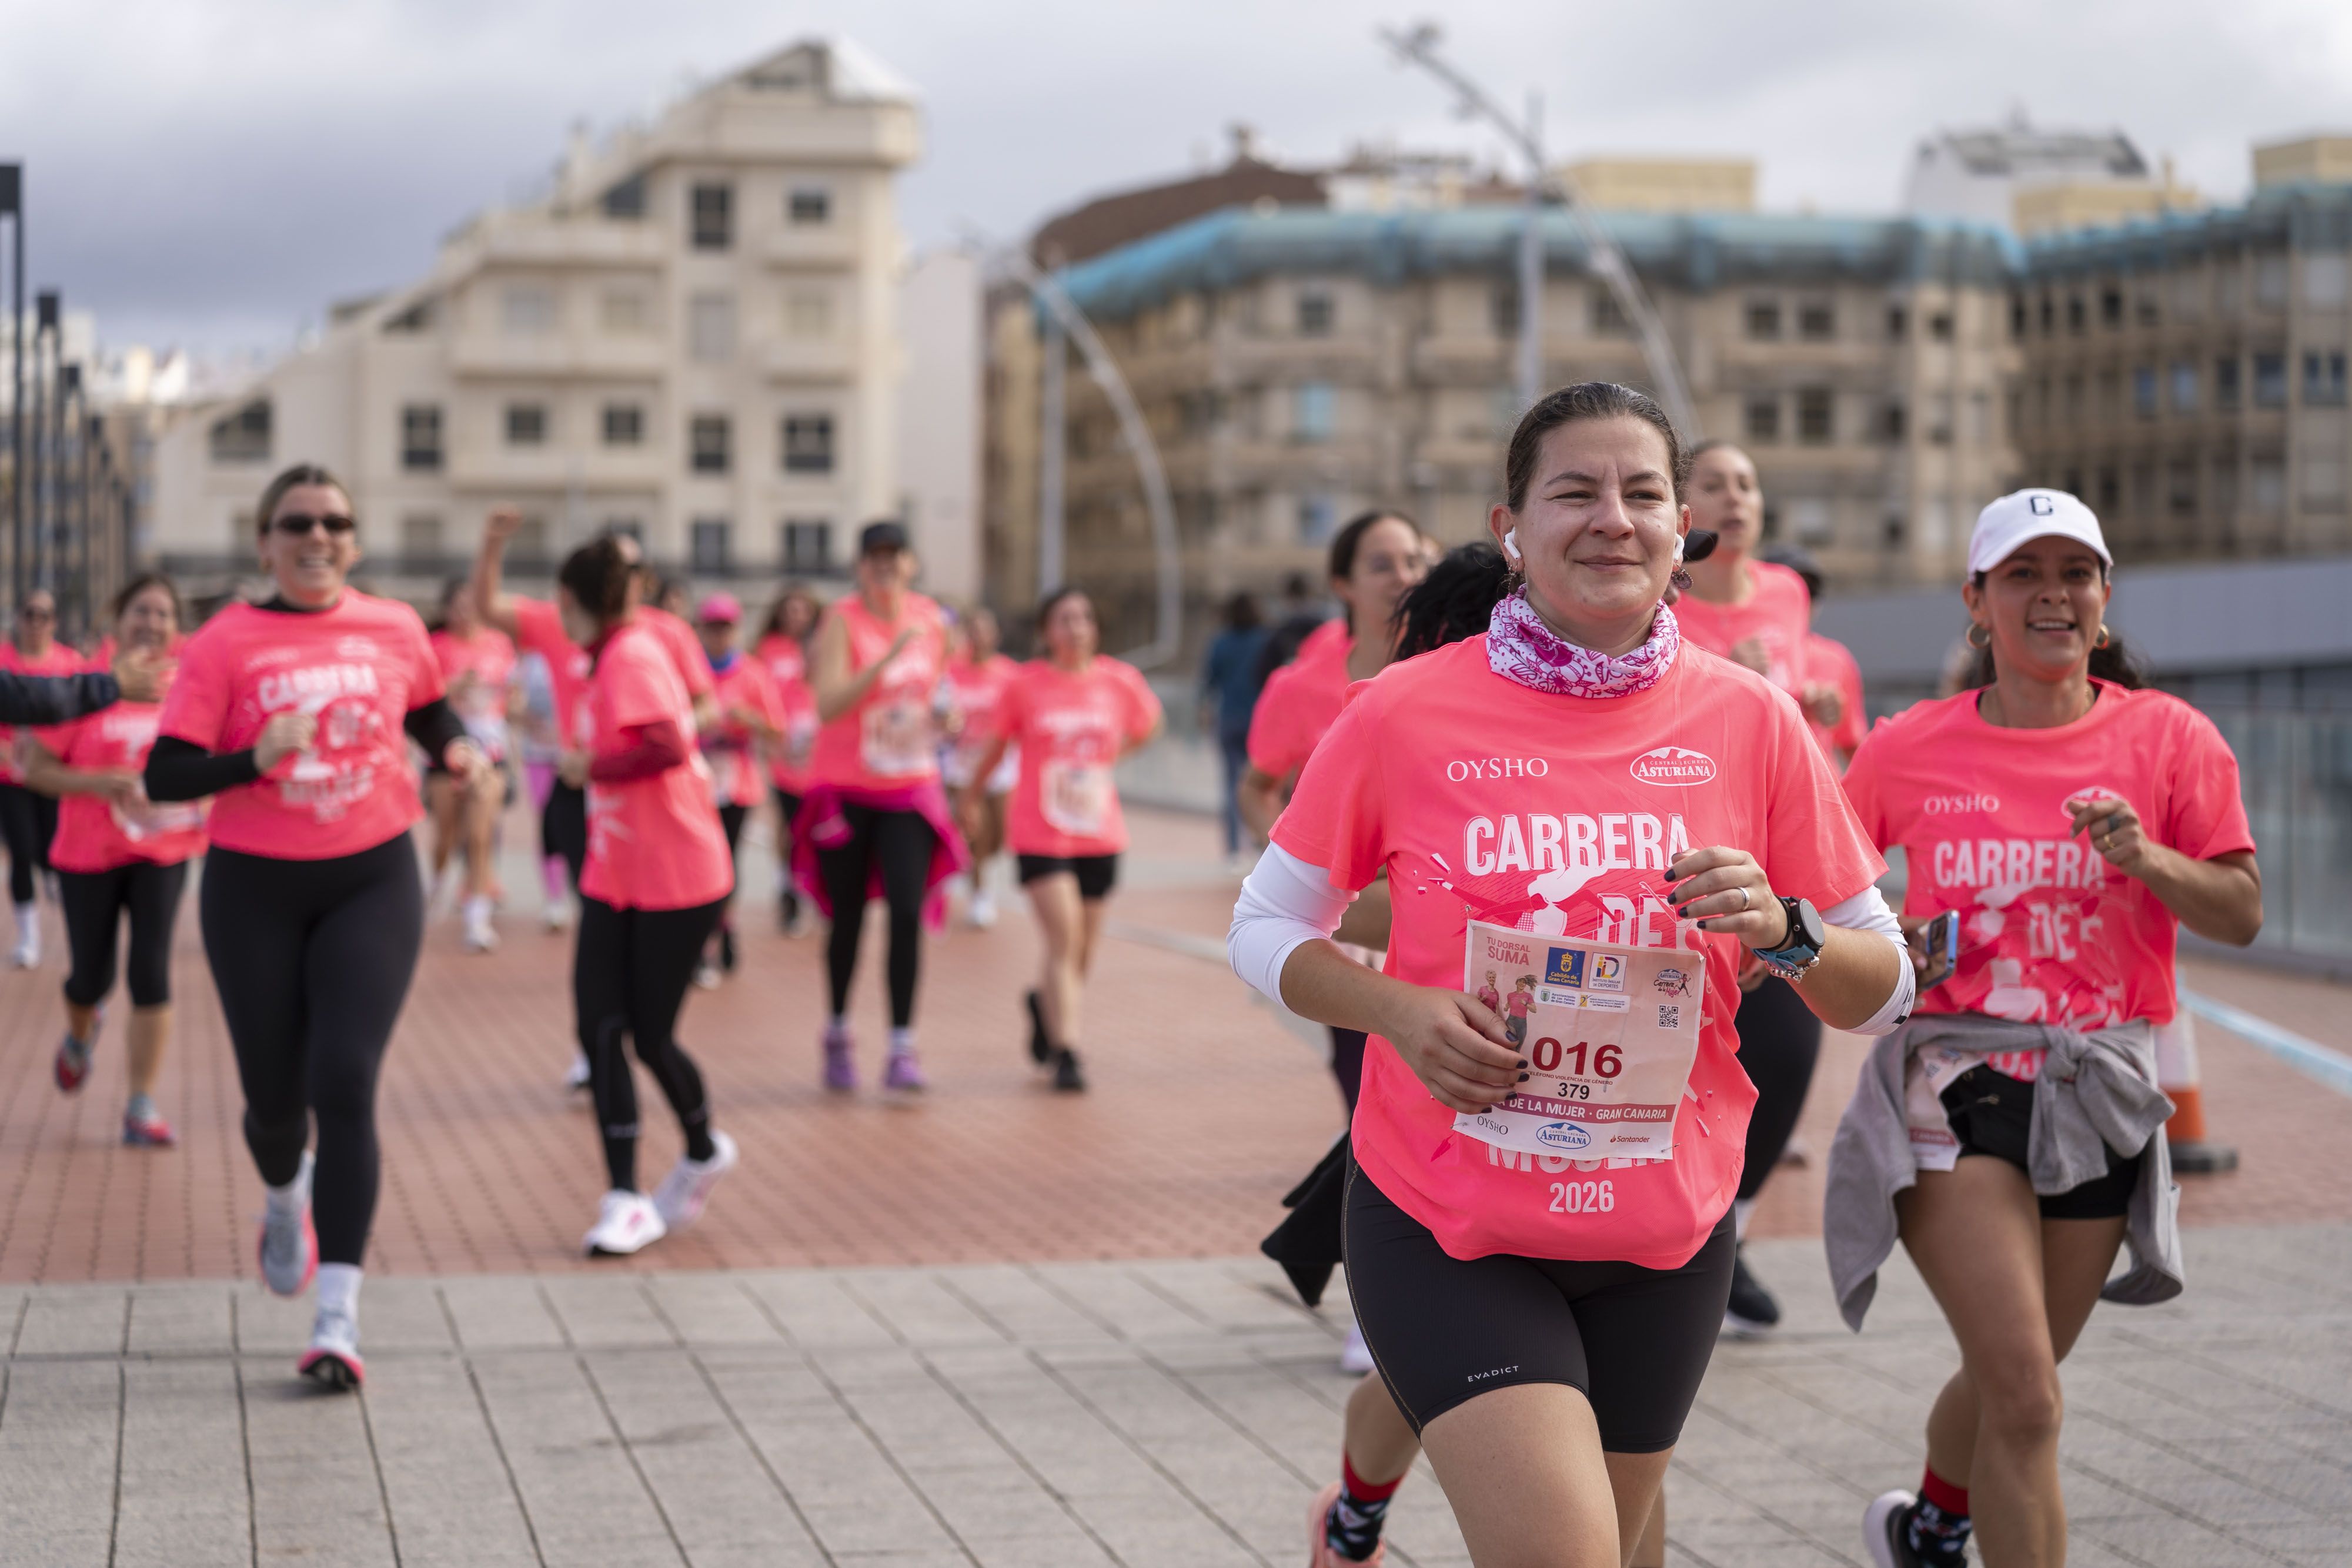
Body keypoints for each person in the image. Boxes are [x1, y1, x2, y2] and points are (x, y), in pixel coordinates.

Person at [1228, 382, 1912, 1568]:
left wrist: (1788, 930)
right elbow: (1263, 924)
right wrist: (1397, 1008)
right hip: (1450, 1218)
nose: (1613, 518)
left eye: (1643, 492)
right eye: (1574, 492)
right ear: (1510, 526)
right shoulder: (1400, 710)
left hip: (1663, 1230)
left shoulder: (1747, 718)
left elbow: (1885, 983)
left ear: (1679, 527)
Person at [1828, 489, 2261, 1568]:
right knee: (2026, 1395)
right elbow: (1823, 887)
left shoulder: (2170, 739)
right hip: (1951, 1080)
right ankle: (1942, 1528)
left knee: (2008, 1378)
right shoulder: (1907, 747)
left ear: (2103, 604)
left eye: (2075, 572)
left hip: (2099, 1089)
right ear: (1979, 604)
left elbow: (2241, 910)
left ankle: (1930, 1527)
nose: (2052, 594)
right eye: (2023, 573)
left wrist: (2145, 860)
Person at [144, 463, 494, 1390]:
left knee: (345, 1079)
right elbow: (165, 773)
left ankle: (337, 1313)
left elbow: (426, 707)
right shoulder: (226, 640)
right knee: (273, 1104)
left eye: (335, 521)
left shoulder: (395, 624)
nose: (318, 535)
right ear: (265, 542)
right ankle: (281, 1192)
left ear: (356, 539)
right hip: (254, 886)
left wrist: (455, 748)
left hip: (371, 875)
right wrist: (249, 758)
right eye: (297, 522)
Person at [1674, 439, 1839, 1336]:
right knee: (1687, 1054)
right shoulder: (1667, 598)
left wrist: (1808, 700)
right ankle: (1677, 1237)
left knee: (1788, 1053)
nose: (1735, 499)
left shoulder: (1788, 591)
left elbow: (1808, 700)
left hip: (1781, 854)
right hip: (1692, 853)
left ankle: (1725, 1232)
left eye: (1747, 483)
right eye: (1713, 485)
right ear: (1683, 514)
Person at [470, 507, 716, 1091]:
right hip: (587, 791)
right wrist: (493, 541)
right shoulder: (567, 621)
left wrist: (677, 729)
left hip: (652, 798)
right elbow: (489, 609)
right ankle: (598, 1039)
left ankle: (632, 1033)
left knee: (643, 933)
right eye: (614, 563)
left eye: (633, 566)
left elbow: (699, 709)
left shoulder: (661, 636)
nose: (624, 575)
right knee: (599, 917)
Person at [557, 540, 741, 1256]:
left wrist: (590, 766)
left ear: (576, 600)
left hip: (676, 876)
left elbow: (665, 744)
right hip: (617, 873)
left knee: (646, 1034)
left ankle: (698, 1150)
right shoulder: (607, 653)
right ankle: (626, 1196)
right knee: (600, 1027)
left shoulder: (632, 654)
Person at [1239, 513, 1429, 1119]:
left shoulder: (1459, 668)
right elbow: (1256, 787)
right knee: (1370, 1101)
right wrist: (1290, 862)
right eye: (1381, 565)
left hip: (1434, 913)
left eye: (1414, 561)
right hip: (1350, 922)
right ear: (1342, 584)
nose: (1402, 577)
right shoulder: (1300, 688)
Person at [957, 587, 1162, 1091]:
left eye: (1084, 617)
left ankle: (1043, 1005)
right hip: (1040, 831)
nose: (1076, 627)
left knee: (1083, 952)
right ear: (1046, 631)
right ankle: (1067, 1051)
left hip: (1100, 831)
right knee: (1064, 939)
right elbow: (995, 745)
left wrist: (1114, 756)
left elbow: (1149, 725)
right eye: (1064, 619)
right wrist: (970, 797)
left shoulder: (1119, 680)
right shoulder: (1025, 685)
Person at [26, 574, 202, 1146]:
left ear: (177, 628)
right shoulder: (86, 684)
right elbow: (35, 769)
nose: (151, 624)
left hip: (161, 849)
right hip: (87, 852)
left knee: (150, 971)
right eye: (141, 612)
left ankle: (140, 1104)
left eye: (163, 614)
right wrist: (97, 782)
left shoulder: (188, 687)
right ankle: (81, 1035)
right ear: (117, 618)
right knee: (90, 977)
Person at [800, 520, 968, 1092]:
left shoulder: (931, 619)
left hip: (910, 785)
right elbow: (827, 705)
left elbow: (940, 693)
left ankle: (901, 1046)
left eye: (894, 557)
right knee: (846, 917)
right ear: (859, 567)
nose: (884, 567)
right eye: (874, 557)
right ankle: (838, 1032)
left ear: (910, 565)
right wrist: (883, 661)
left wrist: (951, 718)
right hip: (848, 788)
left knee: (905, 913)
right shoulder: (843, 619)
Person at [693, 593, 786, 987]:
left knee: (726, 863)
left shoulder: (752, 673)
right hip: (696, 780)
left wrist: (750, 720)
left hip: (738, 780)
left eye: (726, 627)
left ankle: (718, 933)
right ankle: (706, 938)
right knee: (697, 863)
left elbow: (776, 730)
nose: (719, 635)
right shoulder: (690, 671)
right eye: (712, 626)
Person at [426, 577, 518, 952]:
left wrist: (513, 703)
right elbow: (424, 696)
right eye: (458, 605)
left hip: (490, 751)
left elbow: (512, 693)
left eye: (471, 604)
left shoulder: (500, 644)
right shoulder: (436, 646)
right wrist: (454, 687)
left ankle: (477, 919)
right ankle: (438, 884)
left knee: (481, 835)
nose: (465, 612)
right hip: (446, 751)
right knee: (447, 835)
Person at [2, 589, 85, 965]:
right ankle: (29, 938)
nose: (36, 623)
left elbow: (86, 717)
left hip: (55, 776)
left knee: (54, 856)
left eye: (44, 616)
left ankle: (77, 931)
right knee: (22, 852)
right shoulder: (3, 661)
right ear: (18, 619)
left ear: (54, 623)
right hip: (11, 775)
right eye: (30, 614)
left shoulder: (71, 664)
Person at [943, 606, 1020, 928]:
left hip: (1000, 765)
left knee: (999, 835)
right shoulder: (950, 671)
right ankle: (979, 893)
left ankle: (968, 864)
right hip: (961, 764)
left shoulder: (1010, 673)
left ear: (996, 635)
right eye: (971, 629)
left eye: (984, 629)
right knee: (976, 829)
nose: (977, 635)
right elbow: (938, 711)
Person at [754, 586, 823, 934]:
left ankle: (817, 890)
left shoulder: (822, 646)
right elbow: (757, 695)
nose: (797, 617)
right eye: (790, 610)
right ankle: (788, 888)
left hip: (819, 755)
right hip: (783, 752)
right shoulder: (767, 650)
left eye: (803, 610)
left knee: (820, 828)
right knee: (788, 825)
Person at [1760, 544, 1867, 768]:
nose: (1802, 599)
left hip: (1819, 794)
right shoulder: (1734, 652)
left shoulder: (1836, 658)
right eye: (1790, 589)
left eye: (1811, 591)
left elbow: (1854, 747)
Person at [1198, 591, 1269, 870]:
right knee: (1261, 785)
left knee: (1231, 783)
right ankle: (1261, 842)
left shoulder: (1221, 642)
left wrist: (1203, 712)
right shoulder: (1265, 641)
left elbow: (1209, 681)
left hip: (1229, 719)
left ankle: (1232, 849)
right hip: (1260, 721)